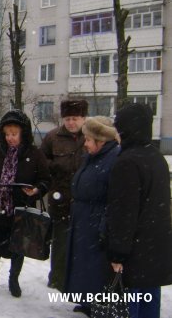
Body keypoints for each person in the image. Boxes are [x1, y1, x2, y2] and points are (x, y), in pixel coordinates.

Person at [0, 110, 51, 297]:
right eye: (6, 134)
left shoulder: (34, 153)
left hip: (21, 209)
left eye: (14, 134)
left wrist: (36, 190)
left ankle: (14, 280)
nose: (9, 138)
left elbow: (45, 179)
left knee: (18, 247)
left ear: (23, 133)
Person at [106, 103, 172, 318]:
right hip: (154, 248)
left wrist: (117, 252)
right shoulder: (157, 157)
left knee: (129, 305)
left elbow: (124, 213)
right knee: (149, 302)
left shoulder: (127, 162)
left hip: (134, 250)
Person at [64, 116, 120, 317]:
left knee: (96, 268)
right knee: (84, 265)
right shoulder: (94, 157)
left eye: (88, 139)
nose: (85, 143)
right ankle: (86, 302)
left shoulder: (114, 158)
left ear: (101, 140)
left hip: (96, 221)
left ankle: (99, 306)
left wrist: (103, 224)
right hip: (84, 218)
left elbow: (114, 197)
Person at [40, 99, 88, 292]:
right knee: (60, 242)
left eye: (75, 118)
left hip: (85, 202)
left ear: (84, 119)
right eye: (67, 118)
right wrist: (53, 172)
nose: (71, 123)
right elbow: (42, 164)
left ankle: (78, 280)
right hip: (60, 199)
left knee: (83, 244)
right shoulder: (53, 137)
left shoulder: (92, 137)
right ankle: (57, 279)